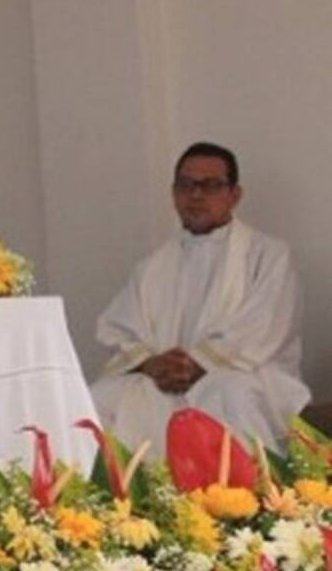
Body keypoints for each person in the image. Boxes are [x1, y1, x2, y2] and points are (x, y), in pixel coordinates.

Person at [91, 141, 310, 454]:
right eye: (186, 185)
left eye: (210, 185)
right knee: (100, 397)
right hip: (164, 382)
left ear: (234, 195)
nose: (196, 195)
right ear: (174, 193)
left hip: (242, 375)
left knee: (229, 392)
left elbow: (264, 327)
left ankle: (246, 500)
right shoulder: (153, 266)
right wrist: (151, 363)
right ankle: (126, 499)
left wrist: (200, 363)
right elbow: (120, 330)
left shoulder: (269, 255)